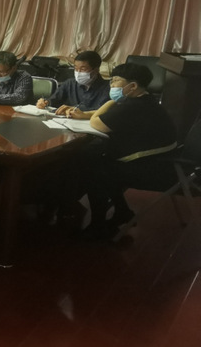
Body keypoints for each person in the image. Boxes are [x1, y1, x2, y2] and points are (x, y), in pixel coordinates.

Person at [79, 63, 178, 239]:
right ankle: (122, 211)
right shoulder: (144, 101)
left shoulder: (133, 106)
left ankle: (98, 227)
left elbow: (97, 122)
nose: (111, 85)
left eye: (115, 81)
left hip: (154, 170)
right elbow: (112, 117)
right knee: (95, 158)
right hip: (162, 162)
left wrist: (110, 101)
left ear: (132, 86)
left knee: (93, 169)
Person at [36, 50, 110, 118]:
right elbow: (54, 100)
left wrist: (76, 109)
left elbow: (102, 111)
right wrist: (45, 102)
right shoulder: (70, 84)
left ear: (96, 70)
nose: (78, 72)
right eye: (76, 68)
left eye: (83, 69)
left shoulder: (107, 88)